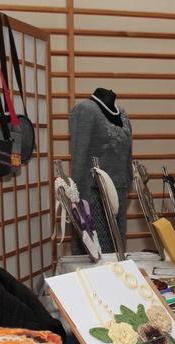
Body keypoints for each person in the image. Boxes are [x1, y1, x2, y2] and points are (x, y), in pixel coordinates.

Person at [69, 87, 133, 254]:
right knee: (96, 253)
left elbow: (128, 158)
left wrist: (128, 186)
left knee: (117, 252)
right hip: (94, 196)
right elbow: (79, 156)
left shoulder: (123, 115)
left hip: (119, 196)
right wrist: (79, 203)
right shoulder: (86, 110)